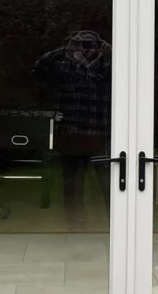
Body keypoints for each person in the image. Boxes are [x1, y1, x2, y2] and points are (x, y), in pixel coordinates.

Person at [34, 30, 112, 227]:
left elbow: (131, 73)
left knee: (106, 180)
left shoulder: (107, 65)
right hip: (71, 131)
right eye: (82, 44)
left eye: (90, 44)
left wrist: (111, 52)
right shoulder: (64, 64)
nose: (86, 48)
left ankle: (113, 220)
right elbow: (39, 68)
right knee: (71, 181)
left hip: (99, 132)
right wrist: (65, 49)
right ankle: (73, 221)